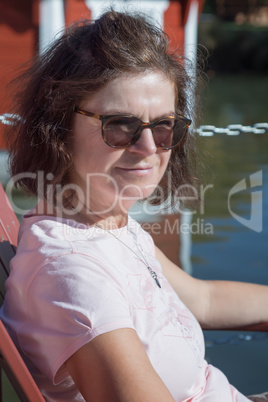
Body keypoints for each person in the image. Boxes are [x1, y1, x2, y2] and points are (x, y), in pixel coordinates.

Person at [0, 10, 267, 402]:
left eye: (164, 127)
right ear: (59, 126)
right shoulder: (73, 274)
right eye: (120, 125)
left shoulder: (107, 223)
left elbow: (203, 299)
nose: (147, 149)